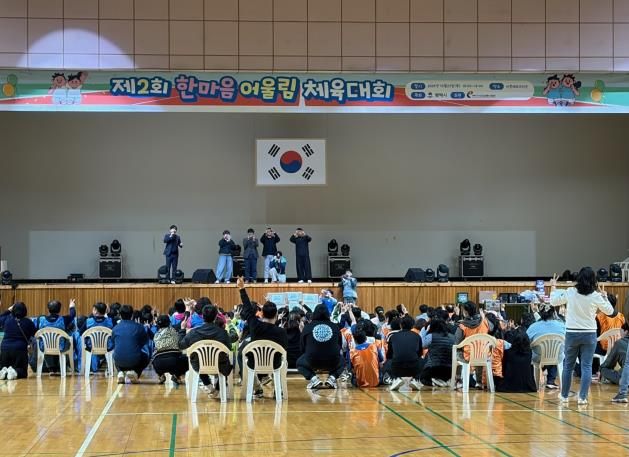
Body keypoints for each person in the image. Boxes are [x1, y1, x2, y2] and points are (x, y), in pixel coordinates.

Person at [550, 268, 614, 405]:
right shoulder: (595, 295)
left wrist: (553, 287)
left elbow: (553, 302)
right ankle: (582, 398)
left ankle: (564, 396)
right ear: (593, 280)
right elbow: (610, 311)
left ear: (579, 277)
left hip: (572, 333)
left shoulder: (571, 292)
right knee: (587, 367)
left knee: (568, 366)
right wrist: (604, 296)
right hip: (589, 334)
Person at [237, 277, 288, 389]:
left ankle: (256, 387)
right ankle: (279, 389)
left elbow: (248, 307)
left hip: (254, 363)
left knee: (242, 354)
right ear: (276, 315)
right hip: (274, 364)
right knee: (284, 360)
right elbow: (284, 349)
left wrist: (242, 288)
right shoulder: (281, 332)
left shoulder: (255, 325)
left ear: (262, 314)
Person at [178, 303, 232, 394]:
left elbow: (181, 345)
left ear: (203, 316)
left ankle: (208, 385)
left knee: (199, 359)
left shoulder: (193, 332)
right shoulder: (223, 333)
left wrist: (182, 329)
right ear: (216, 317)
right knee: (225, 360)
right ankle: (218, 388)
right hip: (220, 365)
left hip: (199, 366)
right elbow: (229, 348)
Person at [298, 304, 343, 389]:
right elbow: (339, 346)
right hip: (332, 361)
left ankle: (313, 379)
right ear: (328, 314)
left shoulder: (307, 327)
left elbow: (302, 348)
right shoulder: (335, 327)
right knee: (342, 361)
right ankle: (332, 378)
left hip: (312, 361)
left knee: (299, 363)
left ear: (314, 313)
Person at [526, 302, 565, 389]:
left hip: (538, 357)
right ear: (554, 313)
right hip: (557, 357)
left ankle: (535, 383)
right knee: (559, 352)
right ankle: (552, 381)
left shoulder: (533, 326)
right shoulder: (562, 325)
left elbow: (526, 340)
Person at [35, 299, 77, 374]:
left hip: (44, 347)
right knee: (70, 339)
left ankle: (51, 368)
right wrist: (72, 306)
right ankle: (64, 366)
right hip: (61, 347)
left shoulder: (40, 319)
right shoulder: (63, 319)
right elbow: (72, 315)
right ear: (59, 310)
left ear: (48, 309)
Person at [112, 305, 150, 383]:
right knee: (146, 356)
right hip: (134, 360)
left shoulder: (115, 328)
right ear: (132, 315)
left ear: (120, 315)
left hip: (119, 360)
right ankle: (135, 373)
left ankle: (120, 372)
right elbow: (144, 342)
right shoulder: (139, 327)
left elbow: (114, 343)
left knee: (116, 353)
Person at [0, 302, 36, 379]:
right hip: (20, 349)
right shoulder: (28, 322)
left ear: (13, 310)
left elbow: (1, 317)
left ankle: (3, 371)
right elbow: (33, 334)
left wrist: (8, 310)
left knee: (3, 366)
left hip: (5, 348)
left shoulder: (6, 319)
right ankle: (14, 371)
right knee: (22, 371)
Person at [388, 315, 423, 391]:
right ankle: (416, 380)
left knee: (389, 360)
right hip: (413, 367)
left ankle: (395, 379)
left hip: (397, 368)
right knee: (420, 359)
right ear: (413, 325)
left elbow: (389, 354)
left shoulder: (393, 336)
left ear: (400, 325)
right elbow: (420, 353)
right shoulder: (417, 336)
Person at [497, 328, 537, 393]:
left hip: (509, 386)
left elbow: (504, 368)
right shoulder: (529, 353)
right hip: (527, 387)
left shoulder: (508, 352)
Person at [152, 315, 188, 384]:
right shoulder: (174, 331)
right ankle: (176, 376)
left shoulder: (156, 335)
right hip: (173, 362)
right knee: (187, 360)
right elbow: (181, 344)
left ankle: (161, 375)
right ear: (169, 323)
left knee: (155, 359)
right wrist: (183, 329)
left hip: (158, 364)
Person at [419, 319, 453, 387]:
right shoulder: (452, 337)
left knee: (422, 378)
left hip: (433, 369)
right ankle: (445, 381)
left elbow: (422, 344)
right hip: (449, 370)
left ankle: (435, 382)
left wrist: (424, 331)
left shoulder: (431, 336)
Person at [82, 302, 114, 374]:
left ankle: (93, 368)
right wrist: (108, 313)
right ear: (105, 311)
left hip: (91, 347)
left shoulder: (88, 321)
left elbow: (81, 332)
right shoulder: (110, 321)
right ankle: (110, 368)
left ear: (95, 311)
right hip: (107, 347)